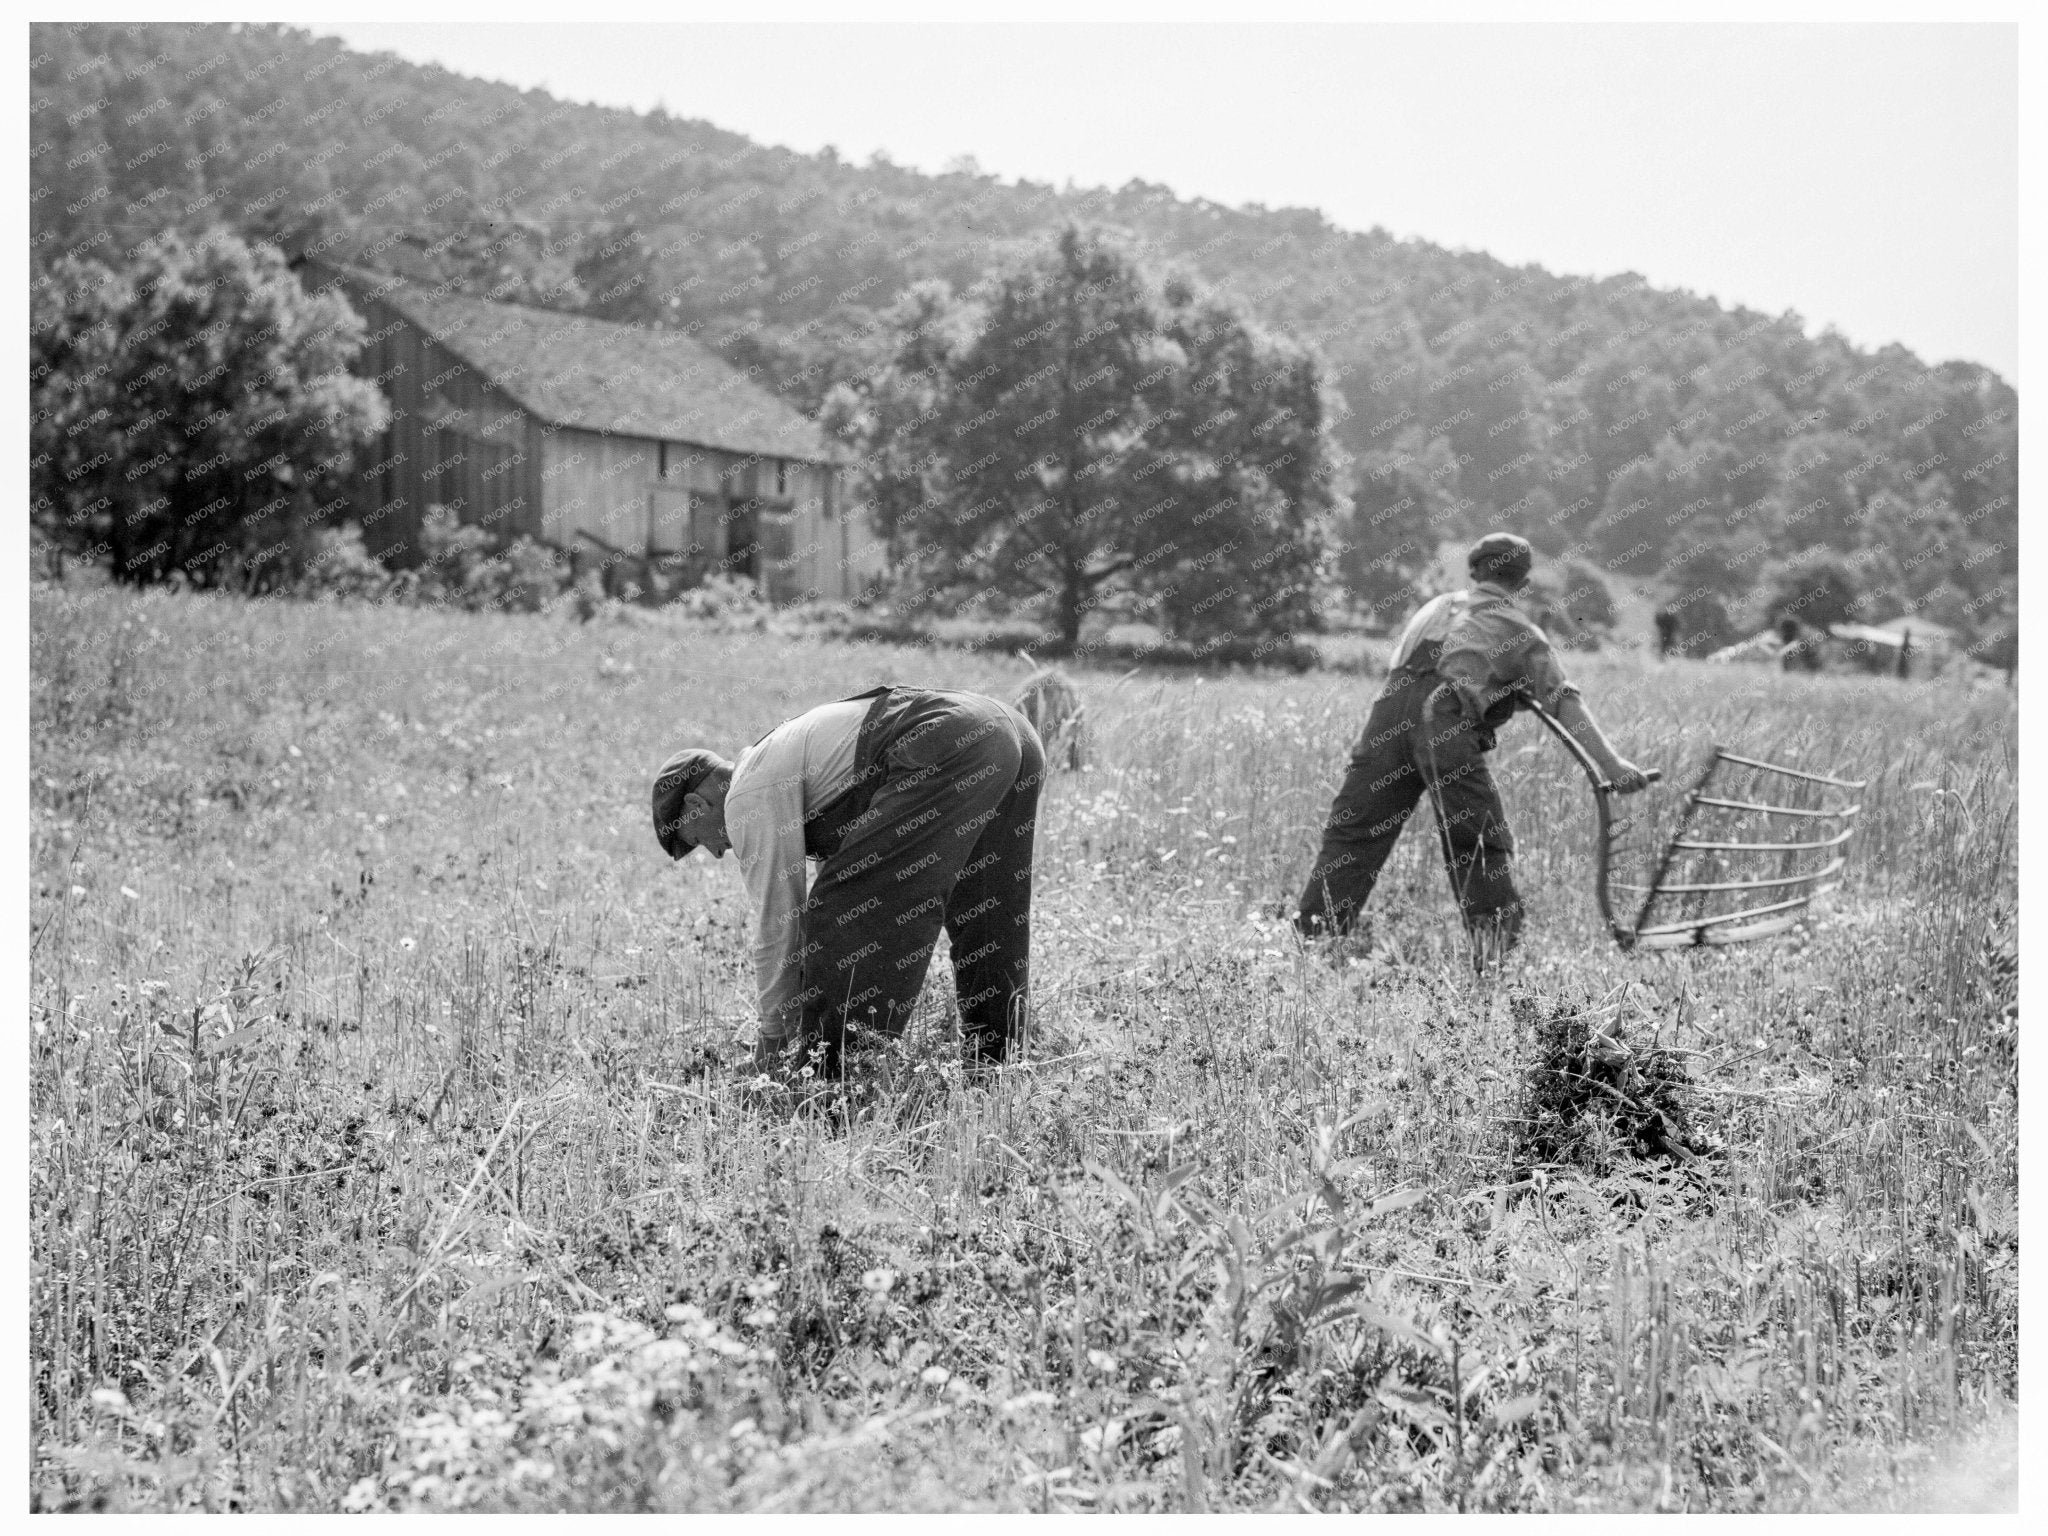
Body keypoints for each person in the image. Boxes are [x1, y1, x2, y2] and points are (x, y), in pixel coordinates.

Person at [653, 686, 1044, 1083]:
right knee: (985, 904)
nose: (716, 853)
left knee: (844, 909)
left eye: (697, 841)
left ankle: (836, 1079)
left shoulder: (746, 794)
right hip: (1007, 731)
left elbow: (780, 923)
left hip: (948, 738)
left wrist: (772, 1040)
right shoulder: (775, 758)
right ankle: (998, 1062)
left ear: (694, 806)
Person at [1293, 533, 1651, 966]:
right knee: (1476, 839)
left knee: (1356, 829)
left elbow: (1434, 661)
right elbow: (1563, 701)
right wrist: (1612, 765)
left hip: (1387, 716)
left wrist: (1496, 688)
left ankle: (1314, 942)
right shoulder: (1518, 629)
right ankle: (1496, 955)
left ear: (1475, 570)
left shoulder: (1433, 609)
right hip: (1440, 719)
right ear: (1522, 582)